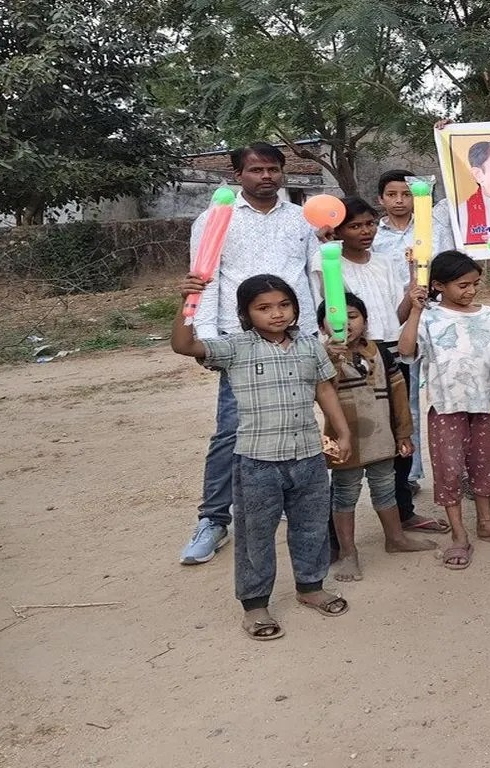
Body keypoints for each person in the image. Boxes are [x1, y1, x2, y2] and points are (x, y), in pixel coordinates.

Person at [172, 273, 352, 641]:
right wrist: (187, 304)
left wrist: (342, 429)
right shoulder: (235, 348)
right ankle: (255, 605)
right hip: (257, 461)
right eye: (264, 308)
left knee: (312, 525)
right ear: (245, 313)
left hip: (308, 456)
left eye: (284, 305)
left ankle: (310, 586)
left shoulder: (309, 345)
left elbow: (323, 389)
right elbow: (183, 346)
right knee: (256, 534)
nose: (276, 314)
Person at [180, 142, 320, 567]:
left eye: (273, 169)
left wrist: (322, 329)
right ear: (237, 174)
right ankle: (213, 519)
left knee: (298, 422)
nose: (266, 177)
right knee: (231, 430)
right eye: (256, 170)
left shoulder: (303, 219)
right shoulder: (214, 220)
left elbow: (315, 275)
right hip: (240, 339)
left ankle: (279, 503)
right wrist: (205, 337)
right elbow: (205, 279)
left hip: (299, 335)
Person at [310, 196, 450, 535]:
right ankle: (336, 532)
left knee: (399, 430)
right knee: (348, 431)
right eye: (355, 226)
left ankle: (403, 510)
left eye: (370, 224)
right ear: (338, 230)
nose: (366, 231)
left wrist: (412, 296)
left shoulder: (386, 262)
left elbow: (394, 317)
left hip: (388, 353)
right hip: (349, 354)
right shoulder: (327, 261)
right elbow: (329, 313)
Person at [398, 251, 490, 570]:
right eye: (463, 285)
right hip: (446, 407)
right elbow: (405, 349)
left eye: (475, 284)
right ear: (439, 285)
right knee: (449, 469)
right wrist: (415, 311)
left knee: (486, 464)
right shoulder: (429, 315)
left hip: (482, 407)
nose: (471, 290)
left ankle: (487, 522)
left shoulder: (486, 315)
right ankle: (459, 535)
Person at [319, 293, 435, 583]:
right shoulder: (321, 357)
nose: (346, 324)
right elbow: (321, 392)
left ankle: (395, 538)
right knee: (345, 495)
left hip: (383, 437)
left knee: (386, 488)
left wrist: (404, 433)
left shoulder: (380, 352)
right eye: (336, 319)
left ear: (366, 320)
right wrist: (332, 358)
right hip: (346, 442)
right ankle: (348, 552)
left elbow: (398, 396)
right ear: (322, 328)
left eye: (353, 316)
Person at [371, 169, 457, 500]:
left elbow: (449, 263)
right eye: (392, 194)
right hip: (394, 323)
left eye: (406, 194)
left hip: (437, 317)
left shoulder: (434, 226)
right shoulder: (373, 237)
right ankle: (409, 471)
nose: (399, 200)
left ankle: (457, 469)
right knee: (405, 400)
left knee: (446, 393)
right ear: (381, 199)